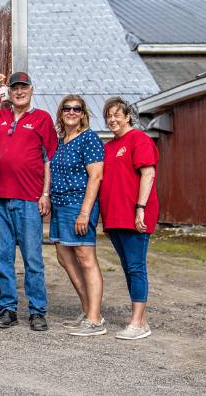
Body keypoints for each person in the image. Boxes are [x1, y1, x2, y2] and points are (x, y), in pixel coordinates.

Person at [0, 72, 57, 331]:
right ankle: (7, 308)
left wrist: (45, 194)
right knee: (2, 258)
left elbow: (49, 160)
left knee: (32, 259)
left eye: (23, 87)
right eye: (15, 88)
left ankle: (37, 311)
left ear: (31, 90)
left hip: (29, 199)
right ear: (9, 92)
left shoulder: (42, 119)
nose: (19, 92)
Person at [99, 97, 158, 341]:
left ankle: (137, 323)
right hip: (115, 217)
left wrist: (140, 208)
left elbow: (148, 173)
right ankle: (140, 319)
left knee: (136, 267)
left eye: (116, 115)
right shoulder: (110, 146)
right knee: (128, 268)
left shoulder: (139, 139)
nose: (112, 120)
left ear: (128, 117)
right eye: (108, 116)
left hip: (134, 215)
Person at [49, 95, 106, 336]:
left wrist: (84, 212)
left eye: (77, 109)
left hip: (78, 204)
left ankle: (95, 320)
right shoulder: (61, 141)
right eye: (67, 108)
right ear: (61, 113)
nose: (72, 112)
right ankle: (88, 311)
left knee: (86, 258)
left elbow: (96, 176)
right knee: (64, 256)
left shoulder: (89, 139)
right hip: (59, 205)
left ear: (83, 114)